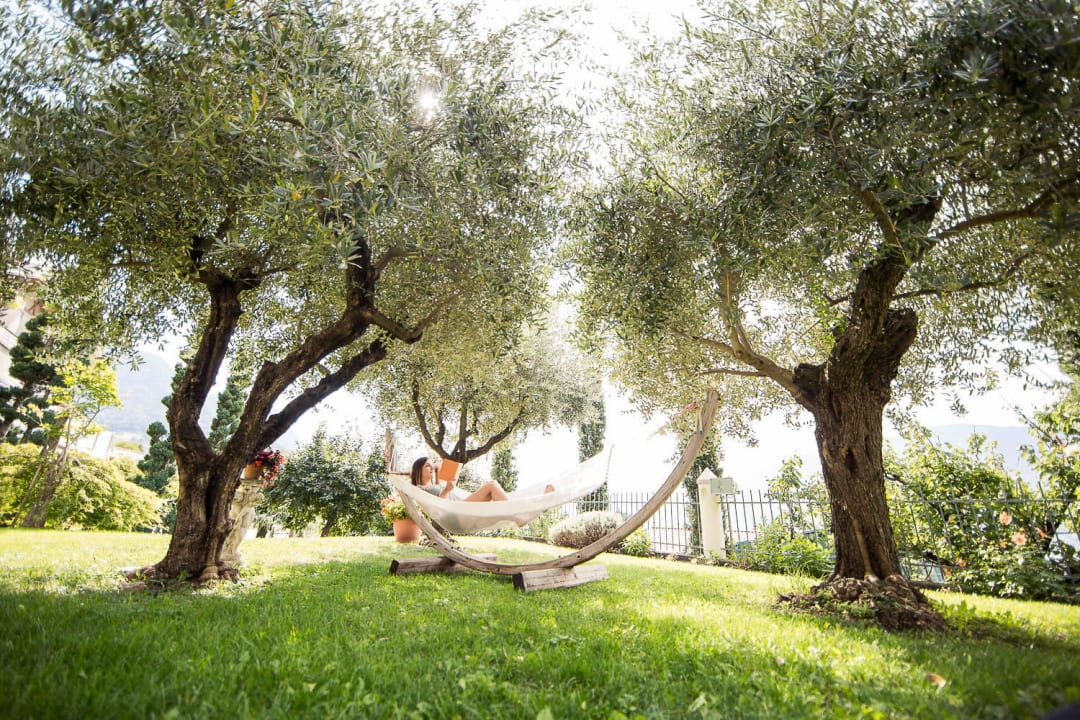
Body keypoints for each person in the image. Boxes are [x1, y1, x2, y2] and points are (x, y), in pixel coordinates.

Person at [409, 456, 555, 501]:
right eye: (427, 466)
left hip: (465, 501)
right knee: (492, 485)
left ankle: (538, 500)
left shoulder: (435, 484)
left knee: (495, 494)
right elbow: (438, 507)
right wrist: (447, 490)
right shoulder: (421, 489)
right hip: (460, 507)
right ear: (418, 470)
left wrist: (435, 466)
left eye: (431, 466)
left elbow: (439, 466)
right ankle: (519, 514)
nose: (432, 468)